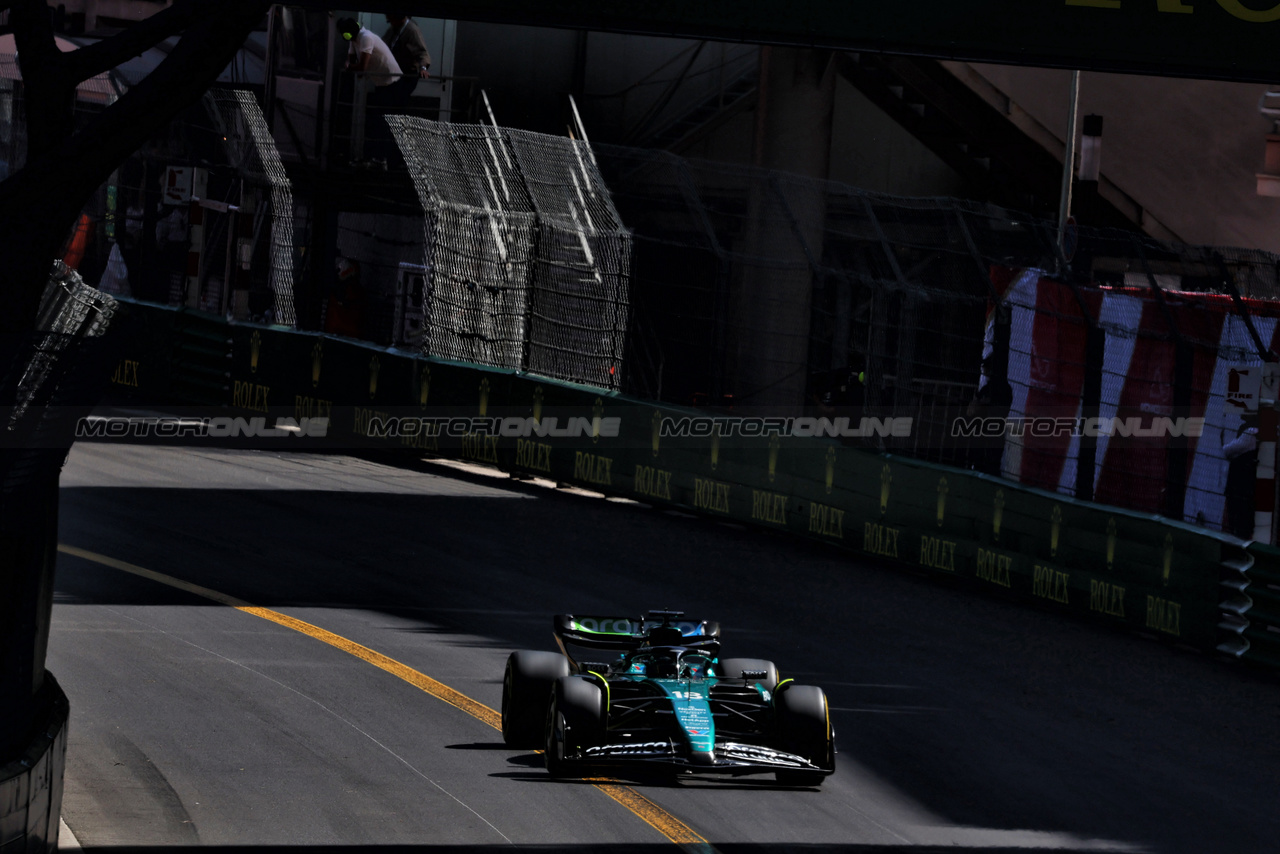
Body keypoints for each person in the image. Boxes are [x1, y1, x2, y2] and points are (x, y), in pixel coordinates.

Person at [336, 16, 401, 164]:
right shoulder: (355, 40)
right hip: (382, 83)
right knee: (376, 121)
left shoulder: (366, 38)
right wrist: (351, 65)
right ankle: (377, 158)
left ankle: (386, 159)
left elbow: (361, 67)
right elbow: (352, 61)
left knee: (385, 123)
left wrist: (350, 68)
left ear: (348, 33)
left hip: (392, 84)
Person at [382, 12, 431, 109]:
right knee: (388, 101)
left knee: (398, 102)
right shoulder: (393, 29)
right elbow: (383, 44)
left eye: (391, 20)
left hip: (406, 74)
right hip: (394, 73)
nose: (390, 23)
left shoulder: (412, 30)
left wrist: (423, 67)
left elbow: (422, 52)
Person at [1224, 414, 1259, 538]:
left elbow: (1230, 449)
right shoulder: (1248, 429)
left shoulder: (1251, 431)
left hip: (1241, 482)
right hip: (1243, 483)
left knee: (1240, 514)